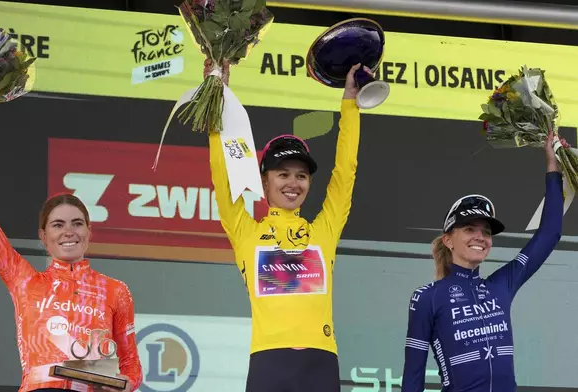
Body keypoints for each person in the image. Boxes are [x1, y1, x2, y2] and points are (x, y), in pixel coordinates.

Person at [205, 59, 366, 392]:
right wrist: (218, 91)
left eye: (301, 175)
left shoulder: (324, 229)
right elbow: (221, 170)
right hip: (269, 362)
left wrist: (350, 103)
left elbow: (345, 173)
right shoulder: (245, 230)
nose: (293, 183)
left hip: (321, 362)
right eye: (283, 173)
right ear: (264, 183)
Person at [0, 97, 142, 392]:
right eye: (58, 225)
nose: (69, 232)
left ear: (89, 232)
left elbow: (131, 367)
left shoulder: (117, 291)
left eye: (77, 223)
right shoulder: (25, 281)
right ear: (43, 236)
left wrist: (122, 384)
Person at [400, 130, 563, 392]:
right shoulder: (426, 298)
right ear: (448, 240)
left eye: (486, 232)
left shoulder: (502, 285)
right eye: (469, 229)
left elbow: (550, 234)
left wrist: (553, 166)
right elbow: (413, 377)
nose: (480, 237)